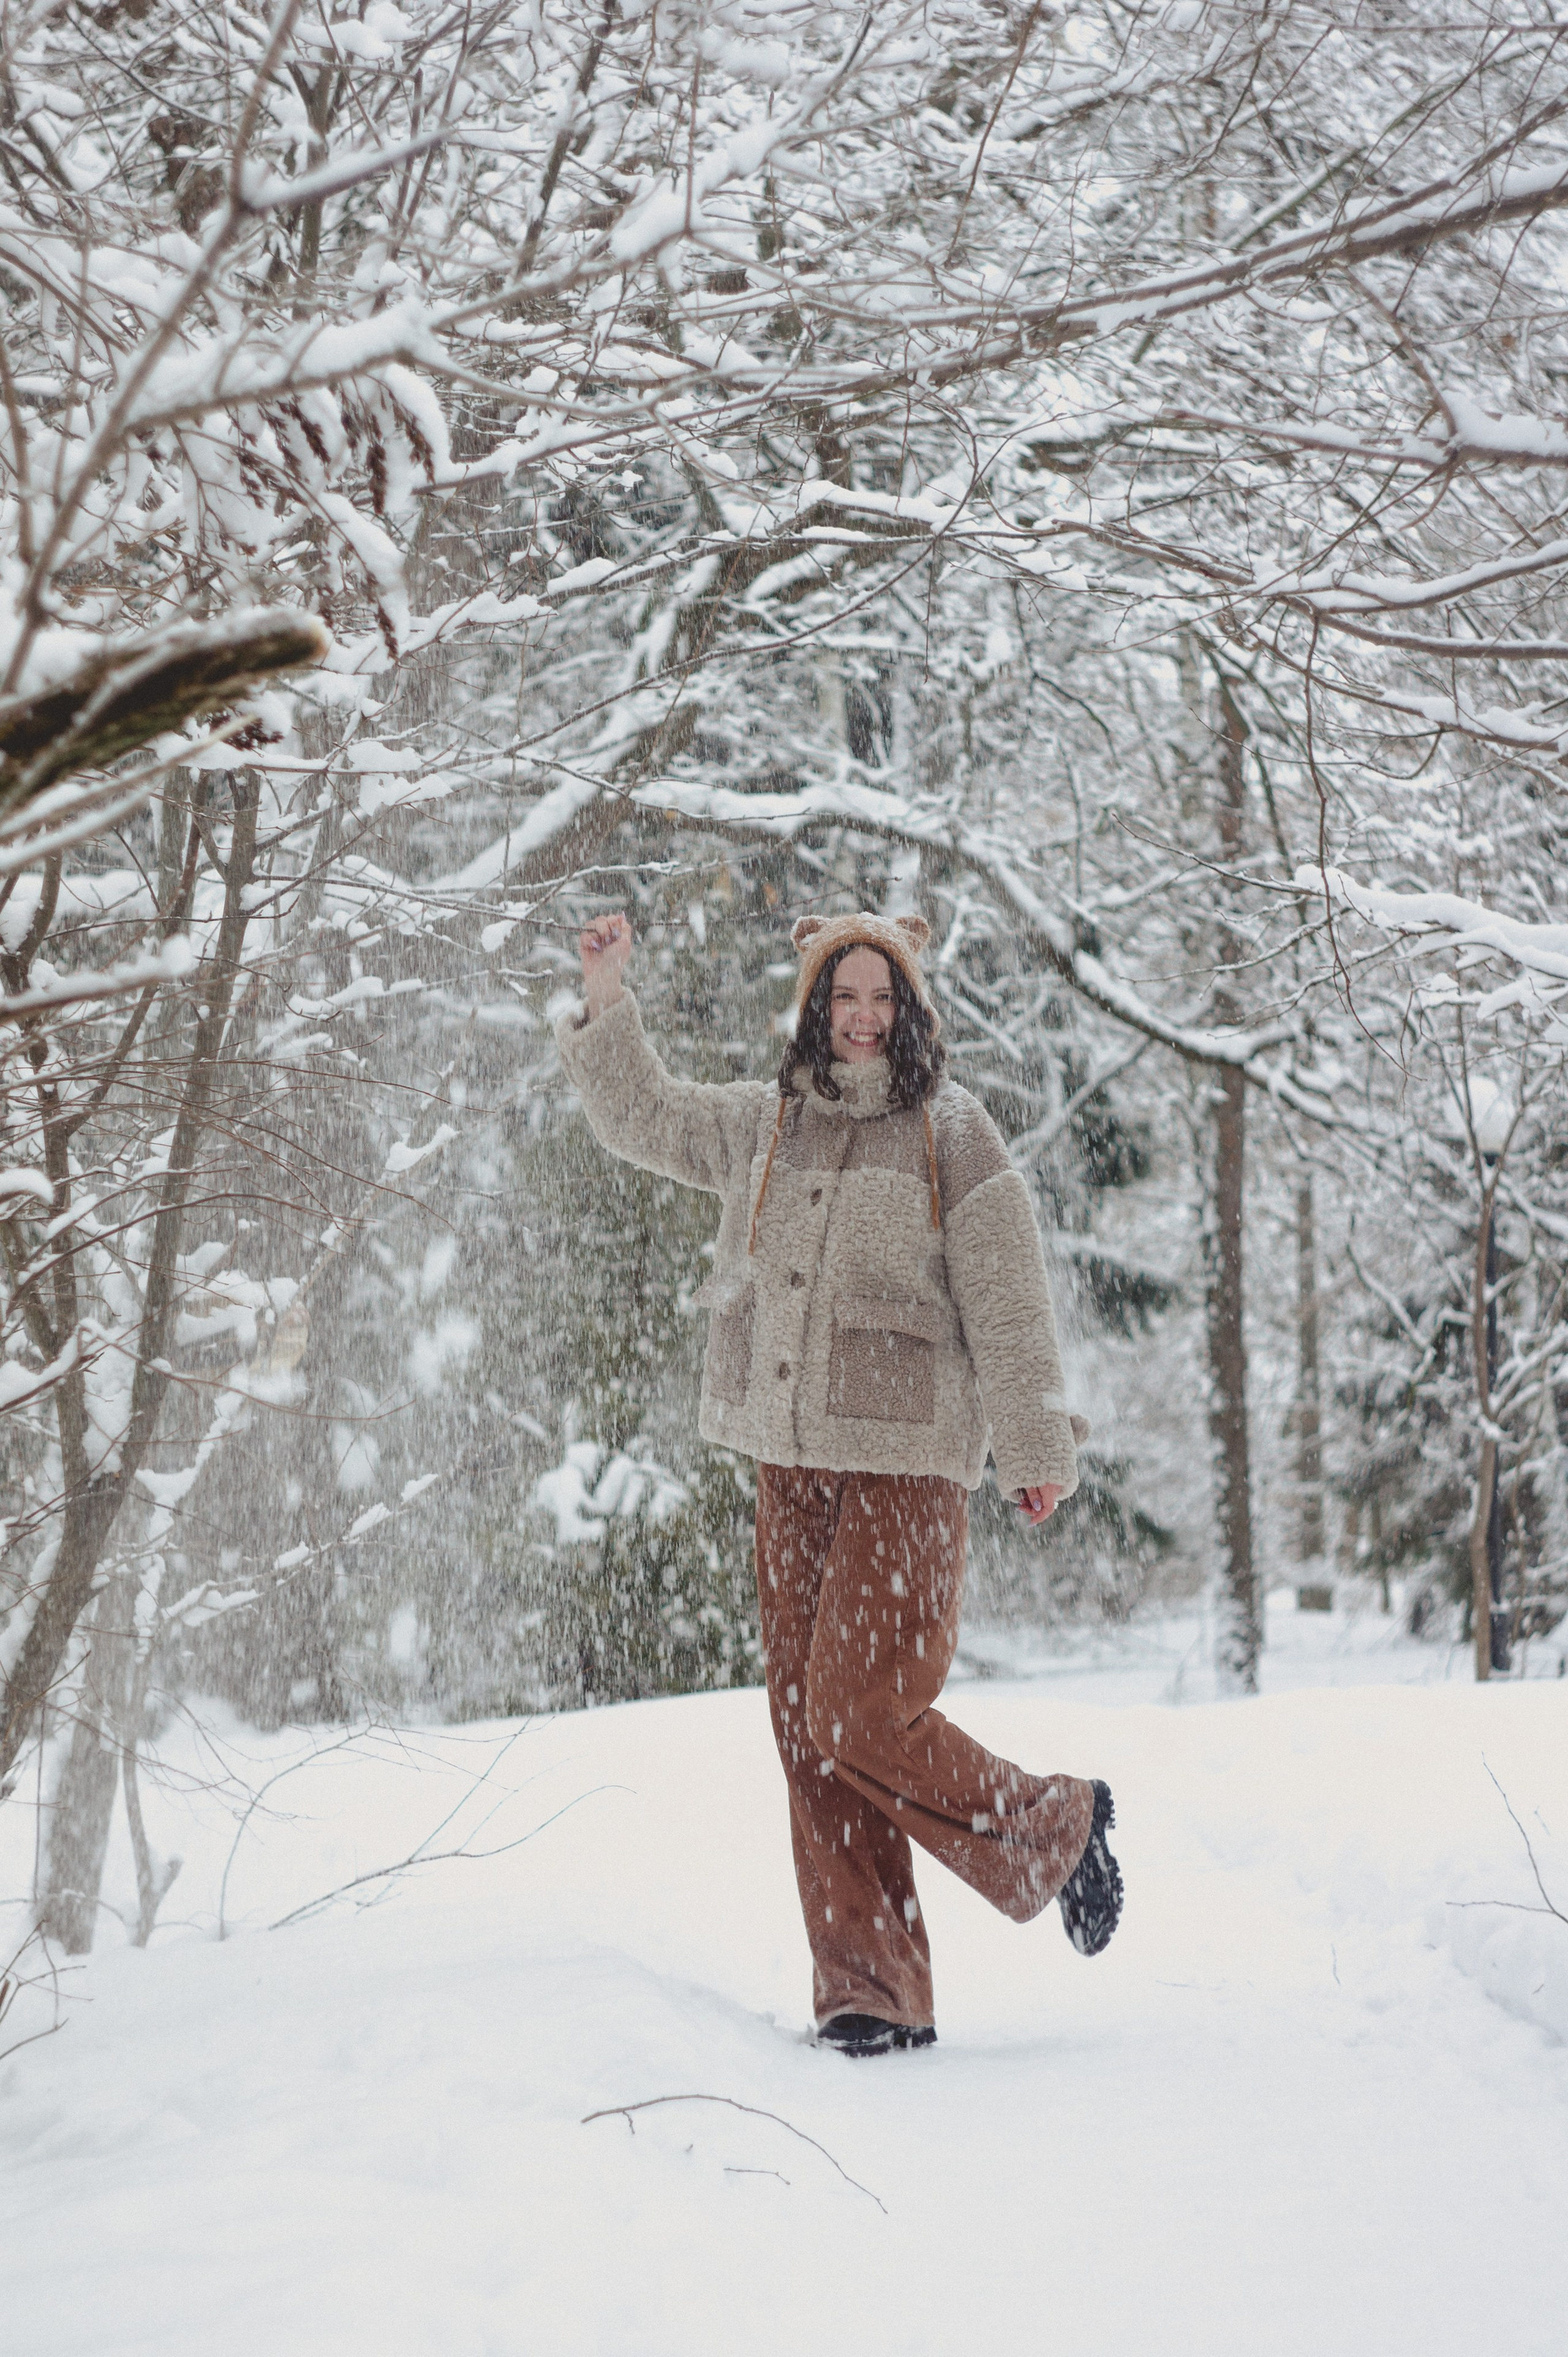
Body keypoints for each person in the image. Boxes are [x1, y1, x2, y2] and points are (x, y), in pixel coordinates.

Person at [559, 907, 1123, 2058]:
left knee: (859, 1711)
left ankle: (1054, 1829)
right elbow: (646, 1117)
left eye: (880, 998)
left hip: (908, 1464)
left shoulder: (950, 1130)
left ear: (909, 1010)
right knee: (808, 1733)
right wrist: (608, 996)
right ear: (815, 1006)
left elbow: (1008, 1296)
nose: (861, 1019)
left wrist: (1032, 1448)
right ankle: (873, 1988)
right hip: (790, 1461)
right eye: (842, 997)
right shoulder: (767, 1123)